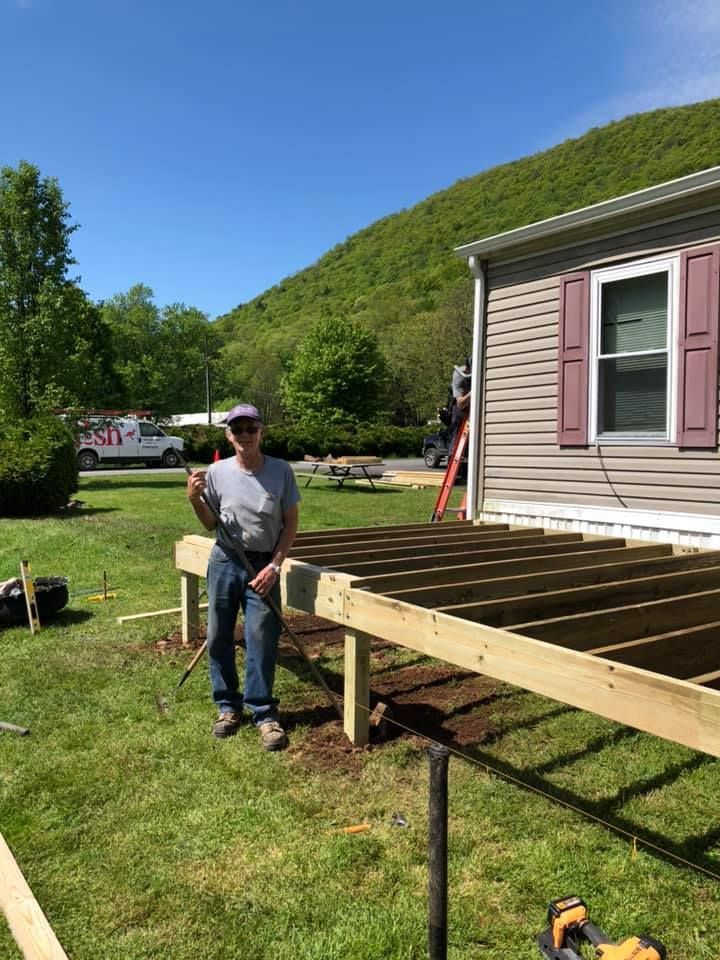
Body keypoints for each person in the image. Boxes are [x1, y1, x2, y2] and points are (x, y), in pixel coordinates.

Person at [186, 403, 300, 751]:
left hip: (263, 565)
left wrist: (275, 566)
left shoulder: (281, 471)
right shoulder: (217, 473)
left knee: (261, 638)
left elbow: (291, 523)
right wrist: (194, 499)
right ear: (228, 435)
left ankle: (264, 713)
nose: (245, 436)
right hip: (225, 560)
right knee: (219, 634)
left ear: (261, 432)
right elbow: (209, 523)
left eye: (251, 429)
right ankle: (227, 707)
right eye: (238, 430)